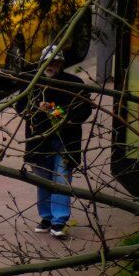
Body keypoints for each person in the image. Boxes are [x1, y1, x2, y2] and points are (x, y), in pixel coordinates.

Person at [18, 62, 94, 237]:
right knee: (43, 179)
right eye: (48, 62)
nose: (50, 66)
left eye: (55, 63)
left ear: (61, 64)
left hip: (66, 141)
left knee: (61, 178)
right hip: (40, 141)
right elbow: (21, 107)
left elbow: (84, 110)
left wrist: (58, 113)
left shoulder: (73, 83)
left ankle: (59, 221)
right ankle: (47, 217)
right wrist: (35, 109)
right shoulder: (32, 82)